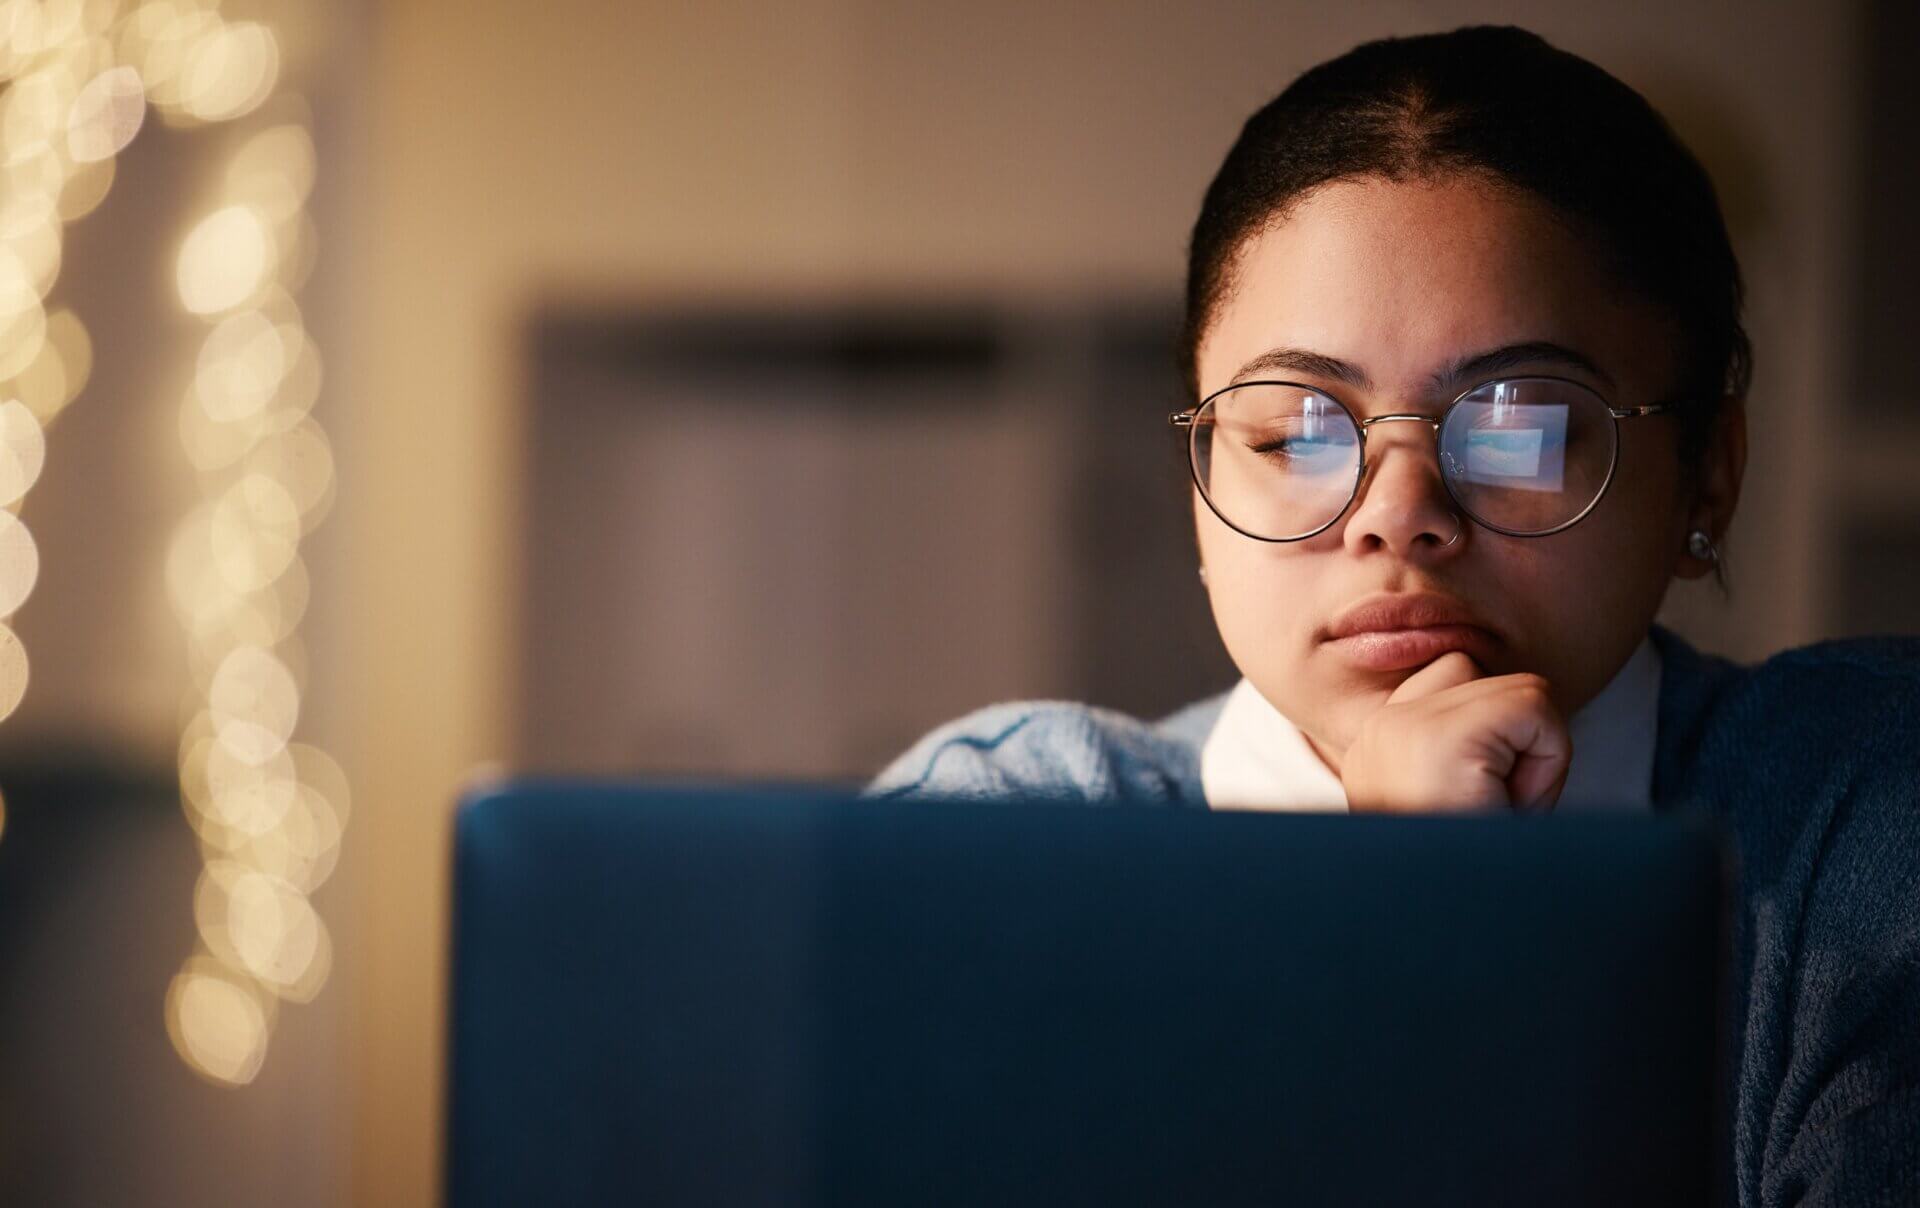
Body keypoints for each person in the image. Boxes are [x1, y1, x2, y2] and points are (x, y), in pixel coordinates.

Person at [868, 25, 1920, 1208]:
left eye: (1520, 425)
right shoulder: (1009, 834)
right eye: (1295, 433)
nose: (1398, 514)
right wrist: (1391, 920)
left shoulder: (1863, 815)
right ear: (1201, 486)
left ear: (1708, 474)